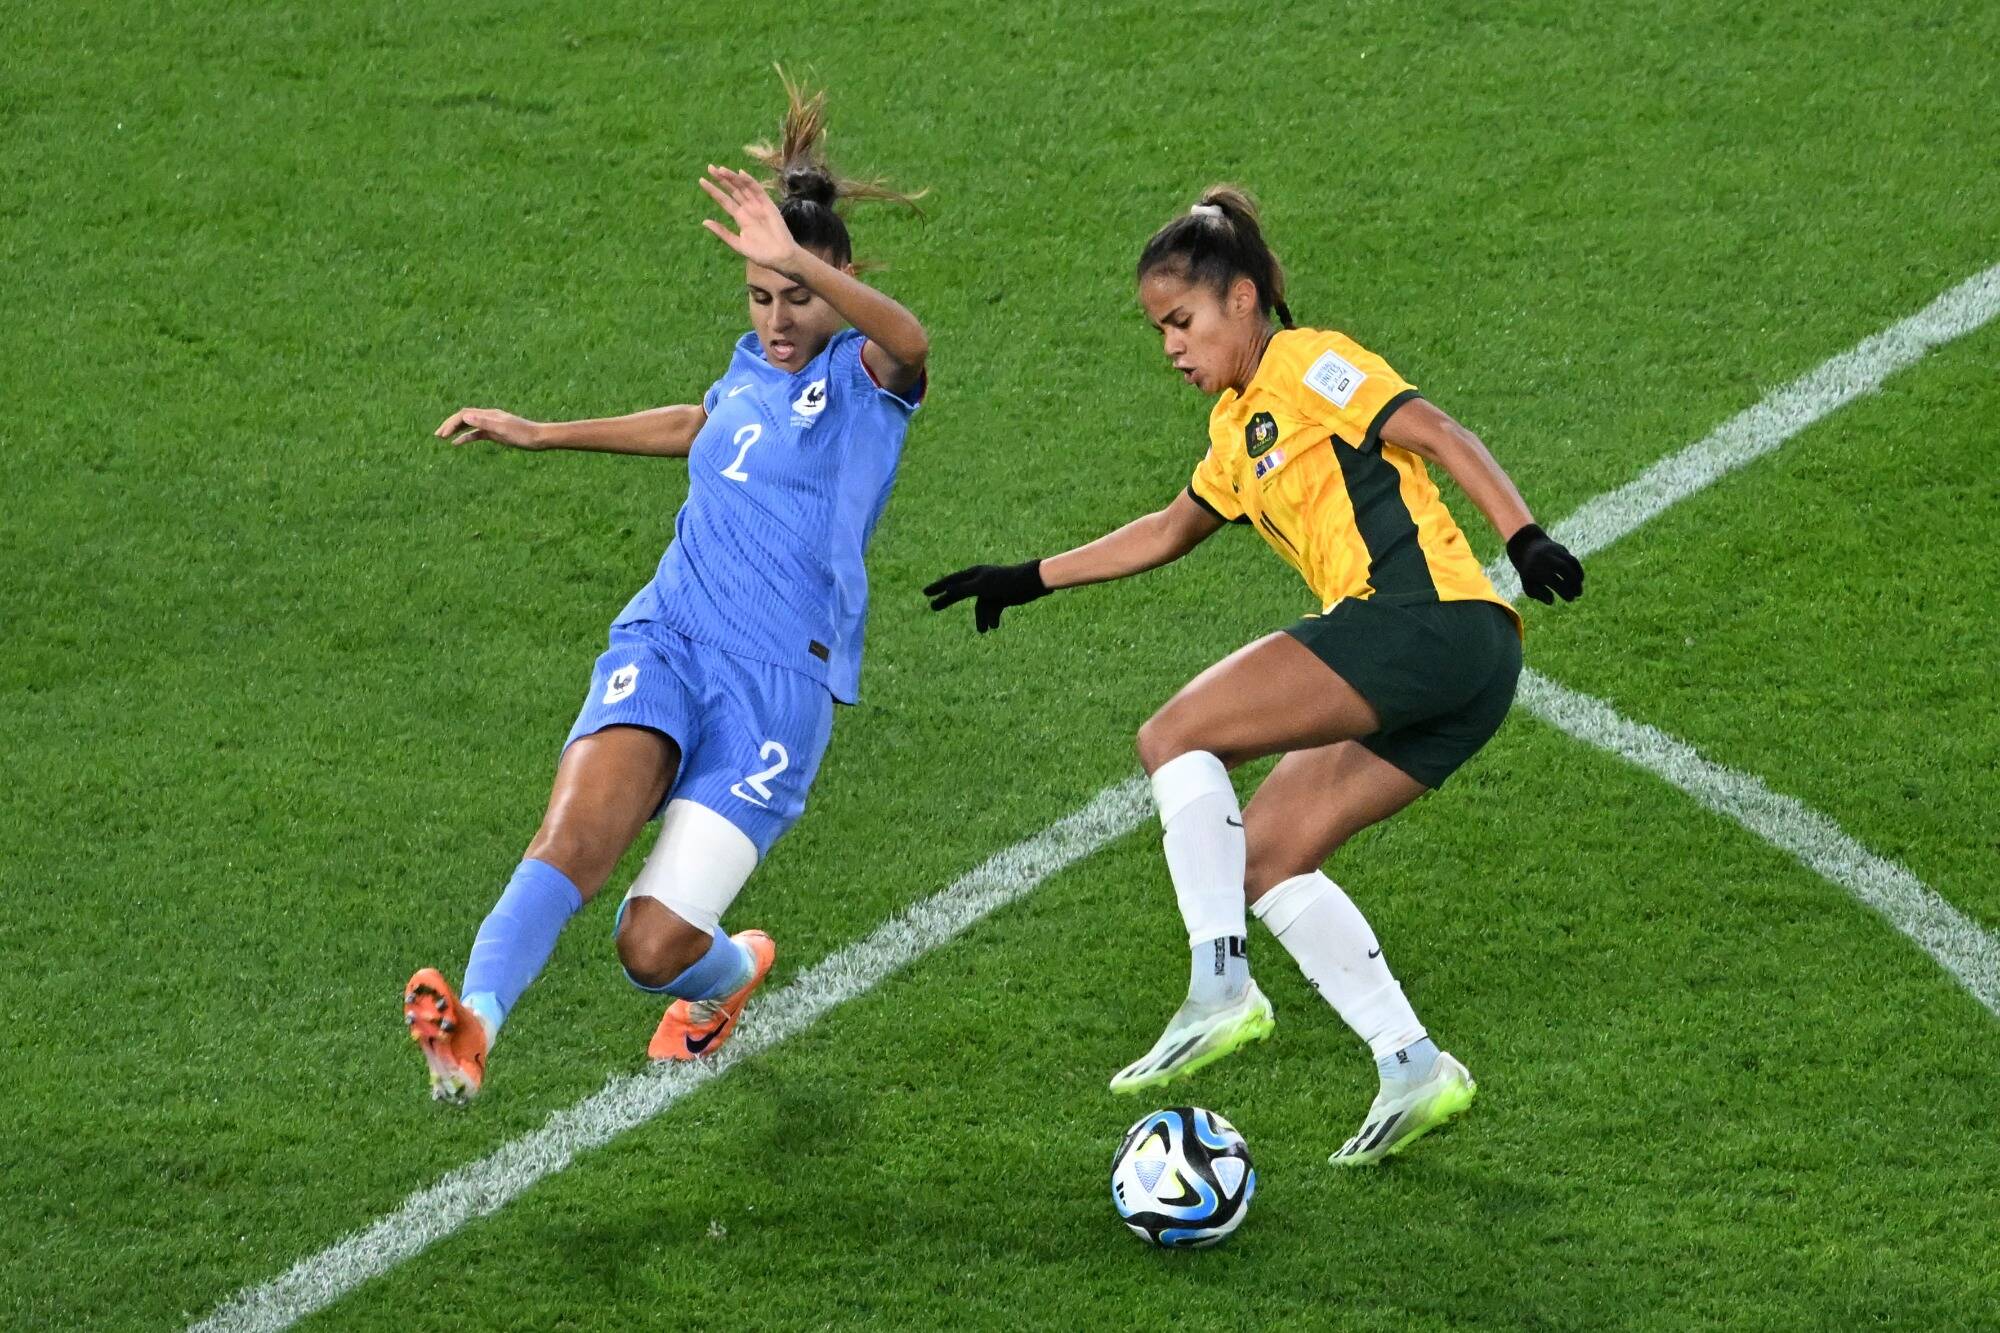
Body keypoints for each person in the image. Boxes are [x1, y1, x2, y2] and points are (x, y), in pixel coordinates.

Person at [925, 187, 1582, 1165]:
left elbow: (1436, 431)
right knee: (1266, 857)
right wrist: (1026, 578)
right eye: (1158, 331)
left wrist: (1521, 534)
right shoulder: (1235, 432)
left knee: (1171, 734)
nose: (1170, 348)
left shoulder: (1307, 362)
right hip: (1466, 670)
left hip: (1419, 621)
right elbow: (1167, 528)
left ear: (1241, 300)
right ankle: (1411, 1064)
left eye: (1180, 322)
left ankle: (1220, 984)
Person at [405, 77, 929, 1104]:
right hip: (672, 638)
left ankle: (727, 977)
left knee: (649, 948)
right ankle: (474, 1022)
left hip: (777, 691)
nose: (777, 320)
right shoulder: (748, 365)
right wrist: (543, 430)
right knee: (572, 840)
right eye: (758, 295)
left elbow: (912, 342)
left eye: (797, 295)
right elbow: (703, 422)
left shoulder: (870, 383)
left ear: (842, 285)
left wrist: (795, 260)